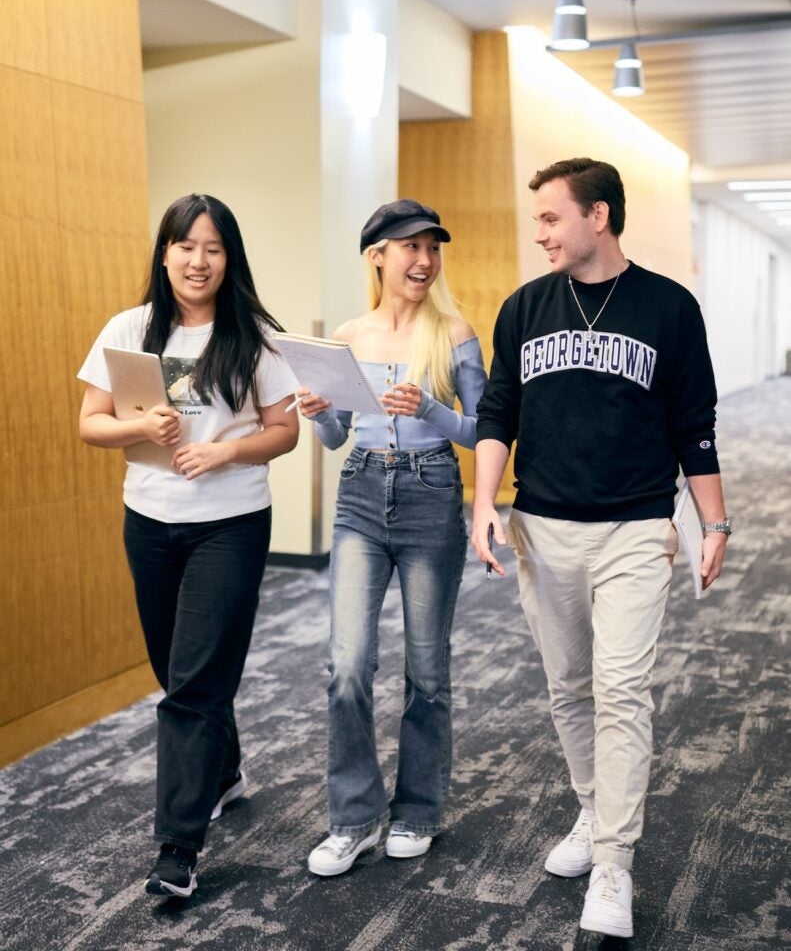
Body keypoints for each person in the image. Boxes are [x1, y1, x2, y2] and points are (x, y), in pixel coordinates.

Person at [472, 158, 729, 939]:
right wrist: (483, 501)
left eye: (551, 218)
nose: (540, 233)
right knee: (567, 690)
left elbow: (695, 424)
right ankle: (590, 810)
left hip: (634, 528)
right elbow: (497, 411)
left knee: (621, 692)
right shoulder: (523, 308)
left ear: (599, 217)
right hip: (541, 529)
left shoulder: (668, 308)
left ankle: (614, 862)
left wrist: (711, 525)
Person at [77, 194, 299, 899]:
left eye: (212, 248)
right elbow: (90, 422)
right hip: (148, 519)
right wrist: (143, 429)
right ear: (165, 252)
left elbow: (283, 430)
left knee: (194, 687)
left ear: (228, 258)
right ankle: (223, 773)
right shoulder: (130, 329)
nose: (197, 261)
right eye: (185, 246)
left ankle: (178, 846)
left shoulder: (254, 335)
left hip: (229, 523)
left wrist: (225, 455)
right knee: (181, 673)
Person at [298, 199, 487, 877]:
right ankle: (352, 819)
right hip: (359, 496)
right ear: (376, 255)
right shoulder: (346, 337)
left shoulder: (454, 332)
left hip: (431, 496)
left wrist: (432, 408)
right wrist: (316, 414)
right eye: (409, 247)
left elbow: (484, 431)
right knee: (347, 666)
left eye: (432, 247)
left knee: (426, 672)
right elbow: (333, 438)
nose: (424, 260)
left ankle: (416, 812)